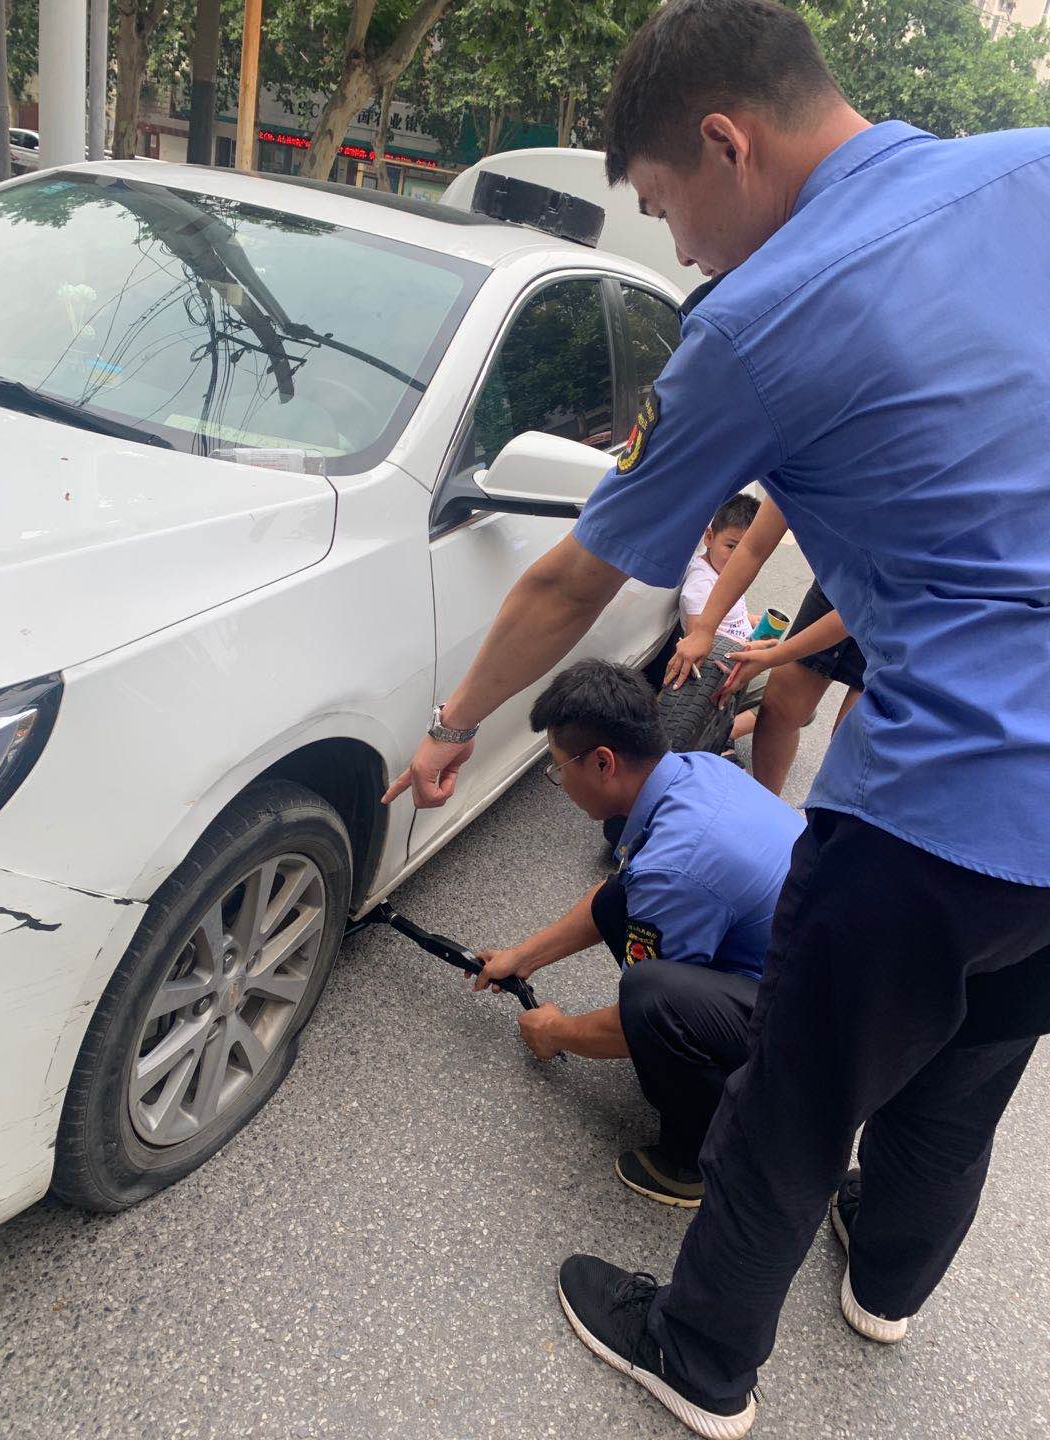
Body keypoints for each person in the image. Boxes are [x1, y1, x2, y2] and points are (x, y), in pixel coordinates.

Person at [383, 3, 1050, 1435]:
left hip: (943, 805)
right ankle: (887, 1288)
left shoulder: (761, 316)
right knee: (968, 1082)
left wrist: (450, 725)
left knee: (793, 1102)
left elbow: (573, 576)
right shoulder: (1031, 168)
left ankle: (699, 1362)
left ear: (725, 143)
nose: (679, 249)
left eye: (665, 205)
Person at [475, 659, 803, 1207]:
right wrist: (523, 957)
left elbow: (645, 1012)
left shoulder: (676, 865)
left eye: (559, 767)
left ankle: (695, 1159)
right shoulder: (696, 771)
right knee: (623, 901)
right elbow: (621, 891)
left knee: (651, 999)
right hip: (803, 973)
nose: (559, 781)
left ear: (603, 762)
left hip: (811, 1037)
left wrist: (557, 1032)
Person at [667, 494, 867, 793]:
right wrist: (704, 630)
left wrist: (773, 657)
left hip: (901, 601)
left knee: (855, 741)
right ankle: (763, 801)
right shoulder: (804, 477)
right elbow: (754, 546)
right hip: (839, 578)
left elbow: (856, 608)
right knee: (782, 705)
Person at [678, 493, 762, 743]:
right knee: (790, 696)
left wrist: (753, 620)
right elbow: (697, 641)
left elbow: (733, 613)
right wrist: (749, 649)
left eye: (746, 550)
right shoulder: (701, 584)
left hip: (743, 652)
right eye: (731, 546)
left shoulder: (723, 572)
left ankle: (723, 731)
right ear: (709, 537)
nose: (738, 558)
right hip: (724, 666)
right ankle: (722, 737)